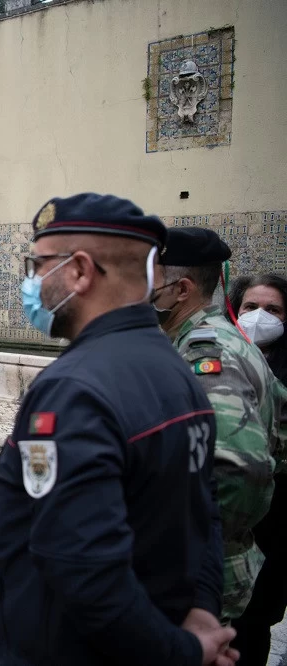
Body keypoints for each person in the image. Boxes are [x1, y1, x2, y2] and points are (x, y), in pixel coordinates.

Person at [0, 194, 237, 666]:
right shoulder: (178, 368)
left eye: (38, 266)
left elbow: (82, 567)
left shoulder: (75, 389)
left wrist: (181, 650)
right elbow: (205, 514)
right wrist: (201, 607)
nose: (31, 282)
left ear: (79, 271)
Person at [153, 228, 282, 623]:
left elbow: (238, 470)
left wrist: (190, 549)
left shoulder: (207, 352)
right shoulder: (212, 339)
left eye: (148, 279)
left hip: (200, 583)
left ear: (182, 288)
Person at [226, 273, 287, 665]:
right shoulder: (217, 357)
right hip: (226, 521)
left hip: (276, 517)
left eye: (273, 309)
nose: (259, 316)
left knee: (254, 621)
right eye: (251, 307)